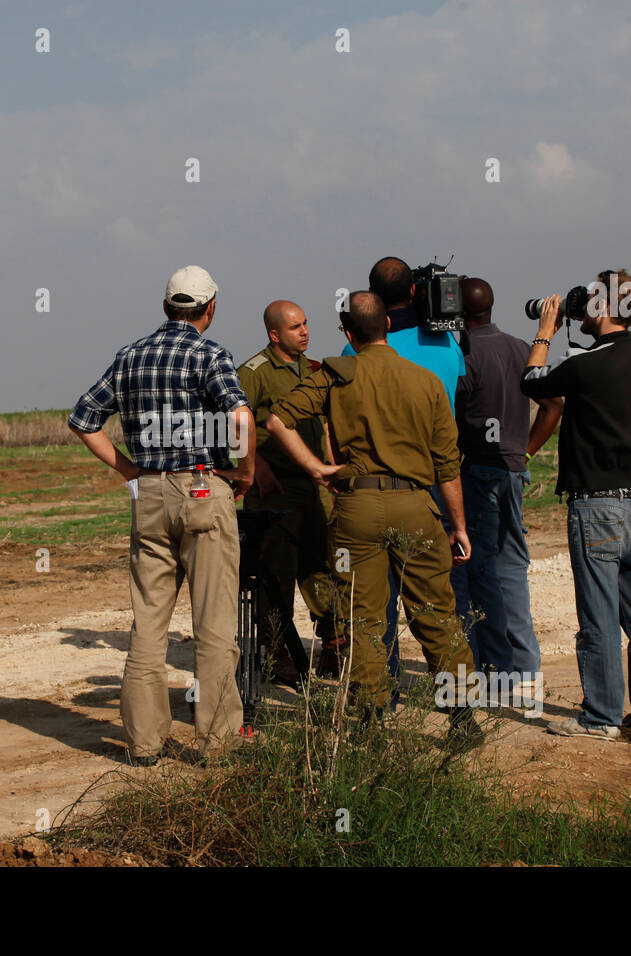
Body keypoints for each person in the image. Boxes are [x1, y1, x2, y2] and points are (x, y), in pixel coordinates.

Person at [266, 290, 483, 748]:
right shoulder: (425, 380)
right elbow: (447, 466)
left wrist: (316, 468)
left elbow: (277, 421)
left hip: (355, 509)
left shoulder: (335, 374)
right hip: (416, 507)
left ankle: (369, 723)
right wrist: (458, 526)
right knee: (434, 613)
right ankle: (463, 719)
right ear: (387, 325)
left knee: (361, 620)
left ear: (348, 334)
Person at [68, 265, 255, 766]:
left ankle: (144, 745)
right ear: (210, 308)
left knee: (148, 624)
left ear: (166, 307)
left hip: (148, 494)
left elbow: (84, 419)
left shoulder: (129, 356)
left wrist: (129, 470)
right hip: (202, 487)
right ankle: (217, 744)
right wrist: (245, 471)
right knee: (214, 625)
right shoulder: (210, 354)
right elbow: (240, 416)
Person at [520, 269, 631, 740]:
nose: (582, 306)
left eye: (589, 300)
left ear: (604, 309)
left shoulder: (584, 365)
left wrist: (545, 330)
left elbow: (533, 381)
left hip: (596, 510)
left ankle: (601, 717)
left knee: (600, 618)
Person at [341, 257, 467, 704]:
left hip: (362, 494)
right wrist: (459, 524)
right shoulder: (446, 344)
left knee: (370, 609)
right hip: (426, 488)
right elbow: (451, 444)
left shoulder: (349, 360)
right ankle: (461, 710)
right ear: (415, 292)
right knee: (436, 608)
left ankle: (379, 701)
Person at [453, 277, 562, 689]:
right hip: (513, 471)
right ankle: (523, 667)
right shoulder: (522, 348)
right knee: (512, 566)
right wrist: (526, 452)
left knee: (476, 568)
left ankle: (490, 668)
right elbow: (554, 405)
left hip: (477, 471)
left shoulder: (461, 355)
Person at [237, 301, 343, 685]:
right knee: (274, 573)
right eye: (295, 326)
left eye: (306, 323)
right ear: (274, 334)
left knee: (320, 565)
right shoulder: (254, 373)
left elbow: (323, 425)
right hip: (274, 489)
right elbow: (234, 423)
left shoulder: (313, 369)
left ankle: (332, 643)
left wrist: (330, 464)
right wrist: (257, 470)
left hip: (310, 487)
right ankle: (275, 650)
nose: (305, 331)